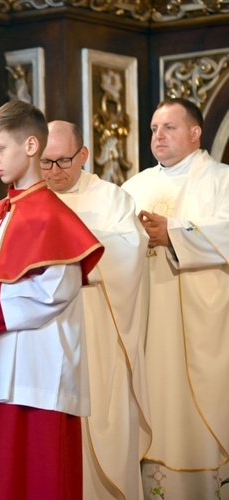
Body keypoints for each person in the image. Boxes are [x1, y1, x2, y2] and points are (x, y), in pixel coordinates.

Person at [0, 101, 103, 499]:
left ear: (31, 145)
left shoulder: (53, 216)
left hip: (41, 371)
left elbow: (56, 292)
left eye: (0, 148)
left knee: (40, 479)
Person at [121, 97, 229, 498]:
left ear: (196, 132)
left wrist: (176, 233)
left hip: (206, 328)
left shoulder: (222, 180)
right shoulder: (135, 187)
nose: (158, 136)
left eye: (169, 127)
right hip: (150, 326)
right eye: (153, 129)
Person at [42, 120, 151, 499]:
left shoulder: (111, 198)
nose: (54, 172)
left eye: (63, 161)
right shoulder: (31, 197)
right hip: (45, 333)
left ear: (84, 155)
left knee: (99, 428)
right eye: (45, 162)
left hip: (97, 330)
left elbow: (130, 250)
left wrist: (70, 249)